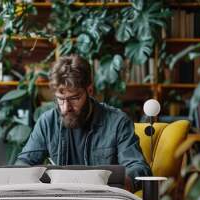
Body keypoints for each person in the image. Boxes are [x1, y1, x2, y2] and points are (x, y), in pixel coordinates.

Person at [15, 54, 151, 192]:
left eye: (74, 98)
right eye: (60, 99)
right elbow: (24, 163)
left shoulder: (117, 122)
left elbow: (138, 168)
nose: (66, 107)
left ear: (90, 91)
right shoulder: (47, 122)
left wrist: (124, 183)